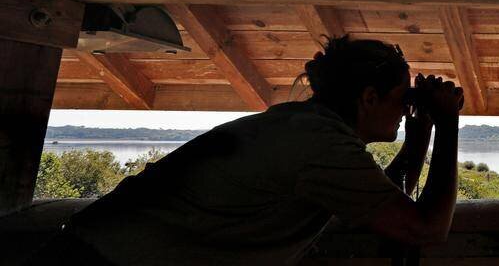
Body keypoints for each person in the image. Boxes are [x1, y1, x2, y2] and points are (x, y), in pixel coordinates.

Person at [34, 36, 463, 265]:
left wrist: (420, 135)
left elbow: (373, 200)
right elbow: (425, 229)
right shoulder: (316, 144)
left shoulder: (303, 127)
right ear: (369, 98)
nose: (407, 106)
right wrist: (447, 123)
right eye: (402, 97)